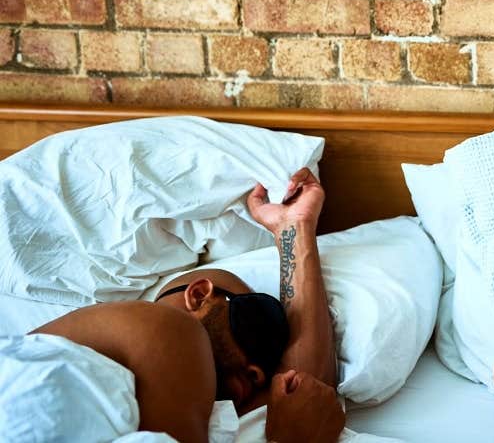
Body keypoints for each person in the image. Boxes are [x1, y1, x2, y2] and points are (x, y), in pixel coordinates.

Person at [28, 167, 344, 443]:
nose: (260, 371)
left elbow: (304, 394)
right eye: (252, 325)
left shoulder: (181, 391)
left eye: (270, 356)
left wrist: (296, 228)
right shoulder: (167, 329)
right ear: (198, 296)